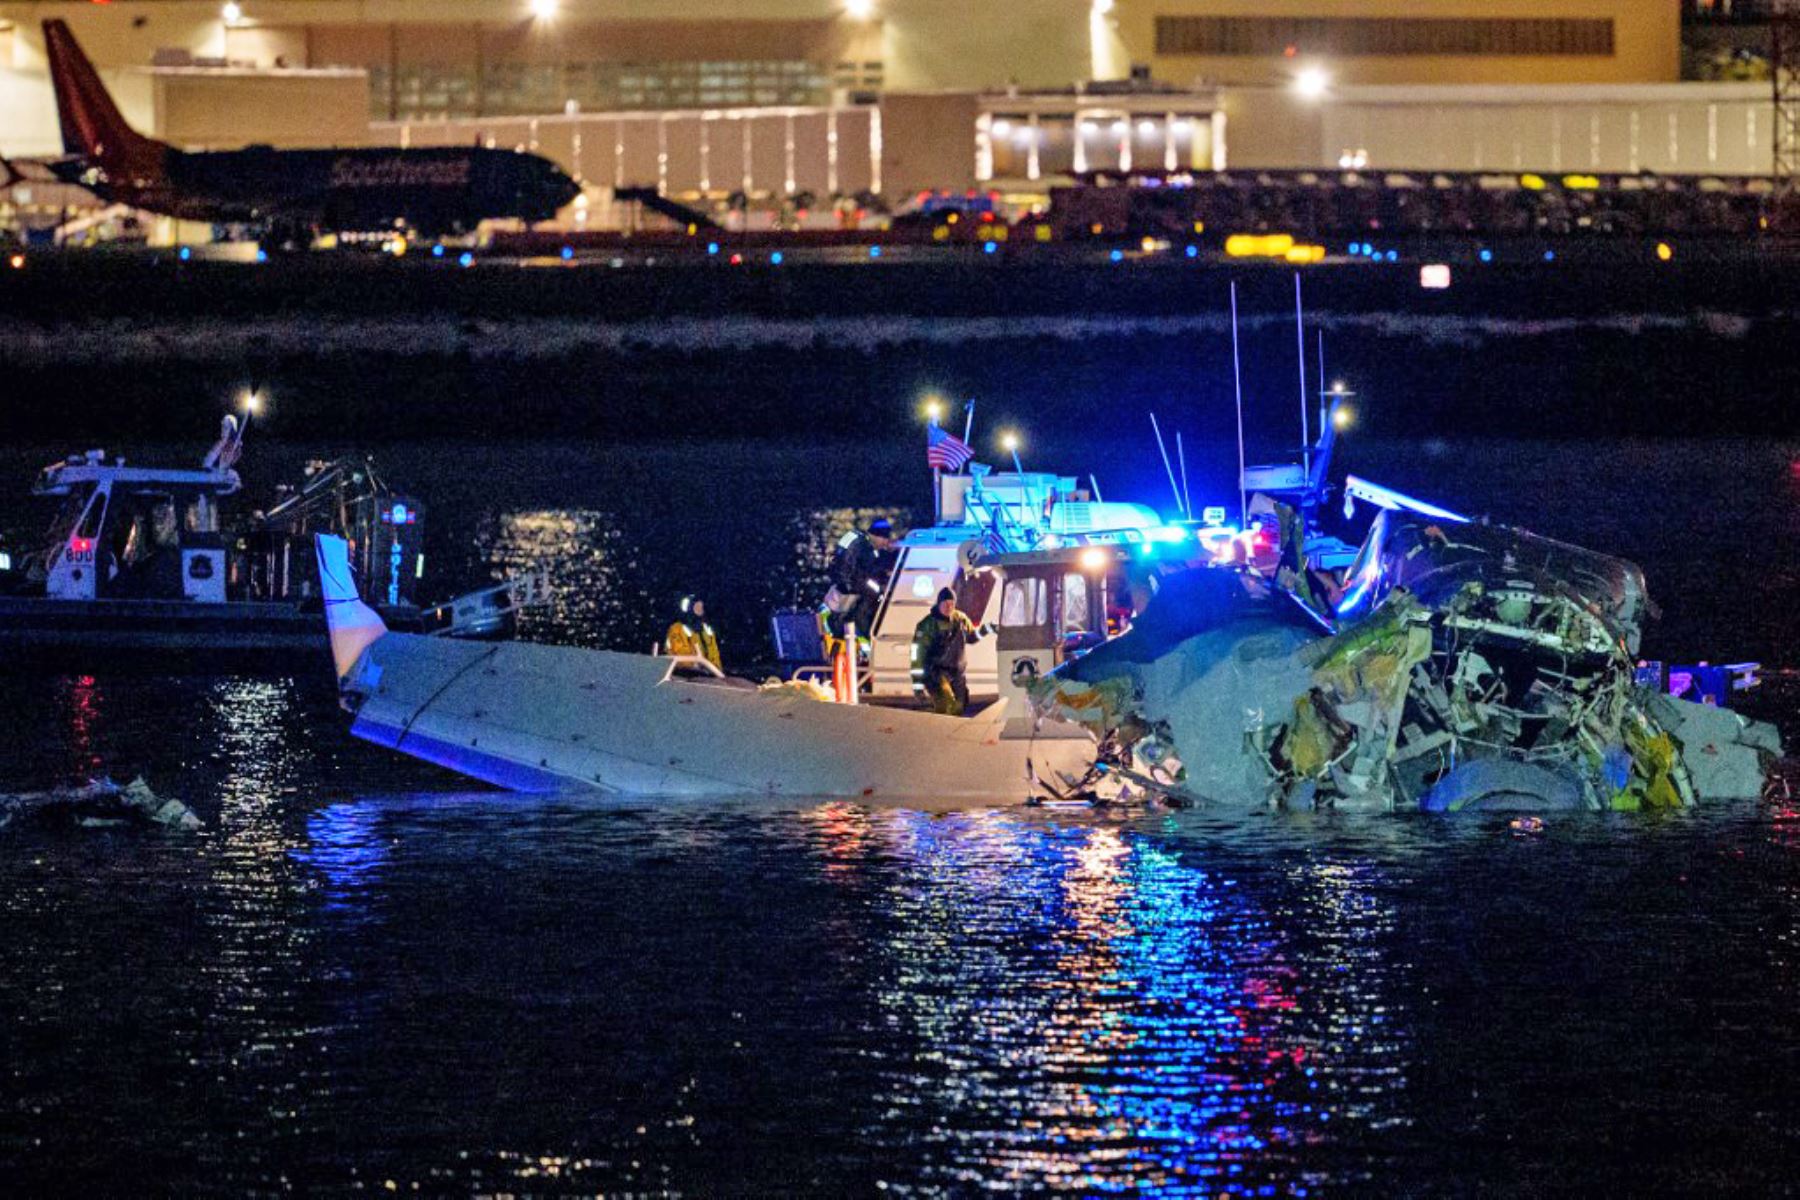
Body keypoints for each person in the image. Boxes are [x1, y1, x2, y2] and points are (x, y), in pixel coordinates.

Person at [911, 586, 989, 716]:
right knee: (947, 703)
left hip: (957, 673)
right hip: (936, 672)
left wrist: (987, 629)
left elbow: (971, 637)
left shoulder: (960, 619)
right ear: (939, 603)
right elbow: (917, 656)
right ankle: (940, 731)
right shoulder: (927, 625)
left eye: (952, 604)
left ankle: (951, 731)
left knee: (960, 706)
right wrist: (917, 685)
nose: (949, 607)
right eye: (945, 603)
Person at [826, 517, 898, 639]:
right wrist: (881, 591)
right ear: (877, 536)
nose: (886, 543)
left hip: (841, 589)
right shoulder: (866, 550)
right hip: (853, 592)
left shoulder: (857, 539)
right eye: (885, 539)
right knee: (862, 618)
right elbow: (866, 579)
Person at [665, 594, 721, 670]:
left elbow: (714, 653)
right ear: (690, 609)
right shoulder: (678, 628)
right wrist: (694, 666)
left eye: (701, 606)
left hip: (707, 675)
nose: (700, 609)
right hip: (683, 674)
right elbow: (680, 652)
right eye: (697, 607)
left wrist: (716, 669)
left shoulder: (707, 630)